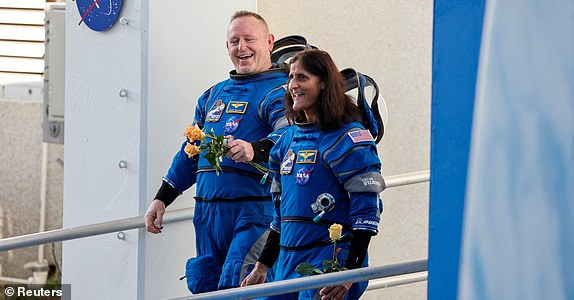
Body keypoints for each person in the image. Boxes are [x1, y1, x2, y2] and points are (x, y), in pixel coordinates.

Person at [144, 10, 289, 293]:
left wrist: (253, 150)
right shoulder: (213, 95)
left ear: (269, 41)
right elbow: (191, 151)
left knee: (239, 286)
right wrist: (162, 199)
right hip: (208, 214)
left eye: (250, 39)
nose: (242, 47)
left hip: (254, 213)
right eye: (234, 41)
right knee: (206, 287)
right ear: (226, 46)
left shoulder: (281, 92)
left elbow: (287, 138)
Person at [241, 49, 385, 300]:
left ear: (325, 83)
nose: (293, 85)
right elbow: (279, 217)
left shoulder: (347, 138)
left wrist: (348, 273)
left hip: (328, 263)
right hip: (287, 263)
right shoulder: (286, 141)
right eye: (291, 78)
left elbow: (367, 212)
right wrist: (262, 266)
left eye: (302, 78)